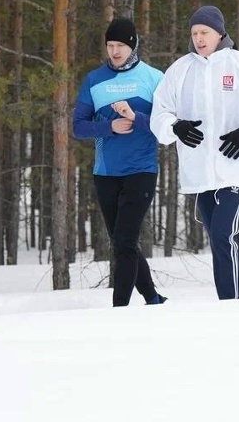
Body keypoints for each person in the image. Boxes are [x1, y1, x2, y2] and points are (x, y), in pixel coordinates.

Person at [150, 5, 239, 300]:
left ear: (220, 33)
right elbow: (159, 115)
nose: (199, 39)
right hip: (200, 173)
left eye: (205, 32)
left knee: (225, 236)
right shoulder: (180, 70)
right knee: (219, 241)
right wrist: (175, 127)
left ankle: (233, 305)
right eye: (195, 33)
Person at [72, 18, 167, 306]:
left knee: (124, 241)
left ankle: (120, 309)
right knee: (123, 242)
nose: (115, 52)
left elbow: (166, 128)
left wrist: (134, 118)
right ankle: (151, 297)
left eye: (121, 46)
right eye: (110, 46)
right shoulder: (94, 80)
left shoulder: (154, 78)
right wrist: (109, 128)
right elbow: (78, 127)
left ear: (133, 45)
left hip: (141, 170)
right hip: (106, 173)